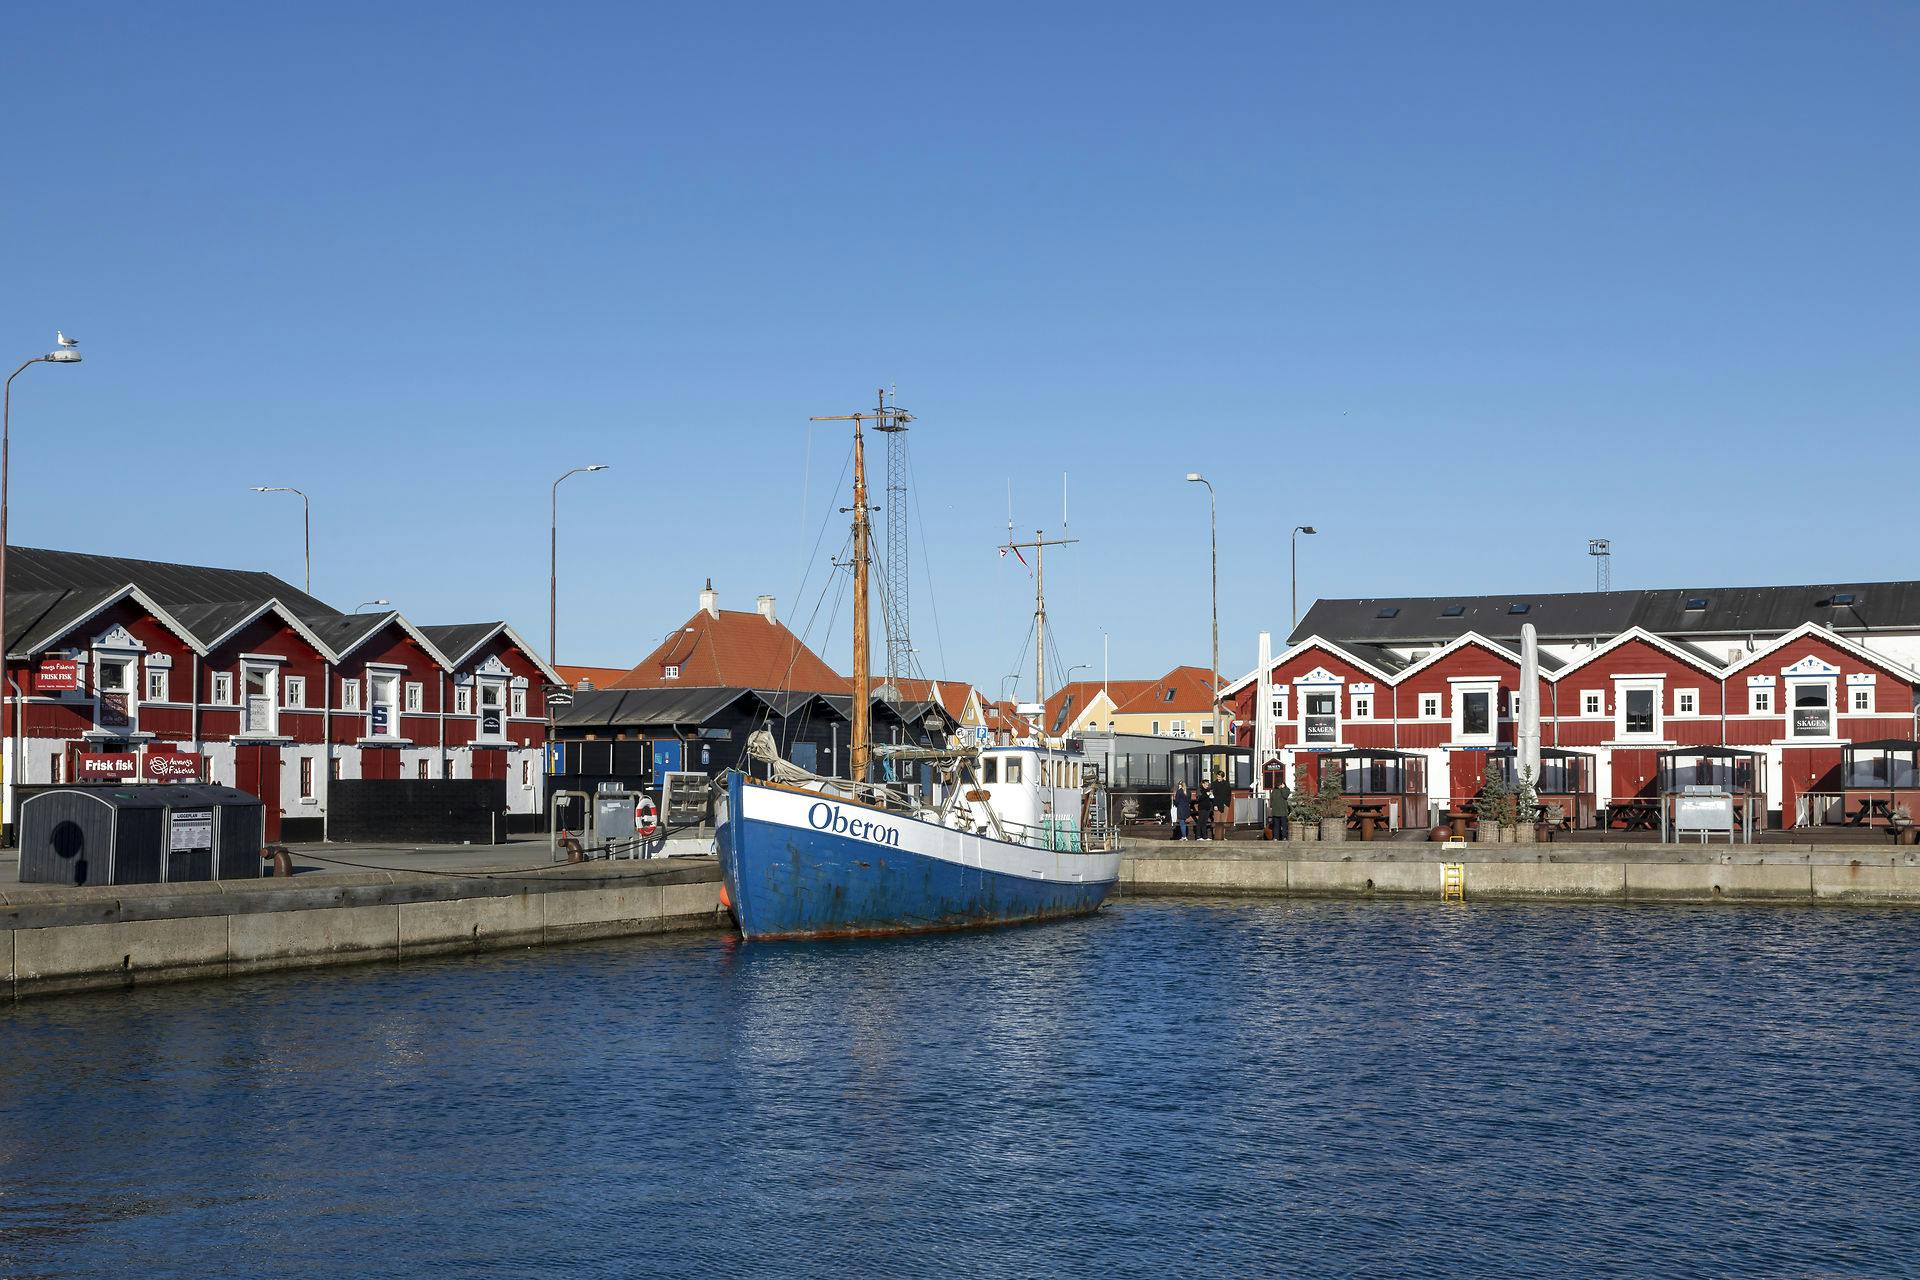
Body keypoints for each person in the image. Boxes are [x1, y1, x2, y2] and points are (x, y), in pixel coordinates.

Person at [1211, 772, 1234, 838]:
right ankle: (1215, 836)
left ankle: (1222, 836)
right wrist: (1215, 805)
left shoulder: (1226, 784)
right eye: (1217, 776)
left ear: (1223, 777)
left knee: (1223, 821)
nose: (1218, 778)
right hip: (1217, 805)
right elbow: (1213, 795)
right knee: (1217, 821)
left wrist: (1226, 804)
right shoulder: (1214, 784)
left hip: (1225, 805)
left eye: (1219, 777)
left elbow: (1228, 795)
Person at [1268, 773, 1291, 841]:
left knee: (1284, 826)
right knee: (1276, 826)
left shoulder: (1286, 789)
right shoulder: (1274, 790)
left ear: (1282, 784)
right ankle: (1276, 837)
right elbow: (1271, 799)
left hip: (1283, 811)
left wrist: (1282, 788)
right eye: (1277, 785)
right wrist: (1271, 806)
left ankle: (1284, 837)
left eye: (1279, 784)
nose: (1278, 786)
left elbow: (1285, 796)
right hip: (1275, 811)